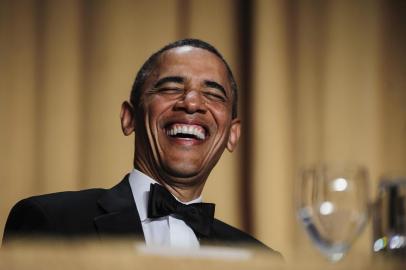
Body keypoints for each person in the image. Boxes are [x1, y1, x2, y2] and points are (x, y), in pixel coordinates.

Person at [2, 39, 279, 254]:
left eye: (212, 93)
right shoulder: (50, 222)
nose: (192, 103)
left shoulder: (260, 260)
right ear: (129, 118)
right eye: (170, 88)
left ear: (232, 134)